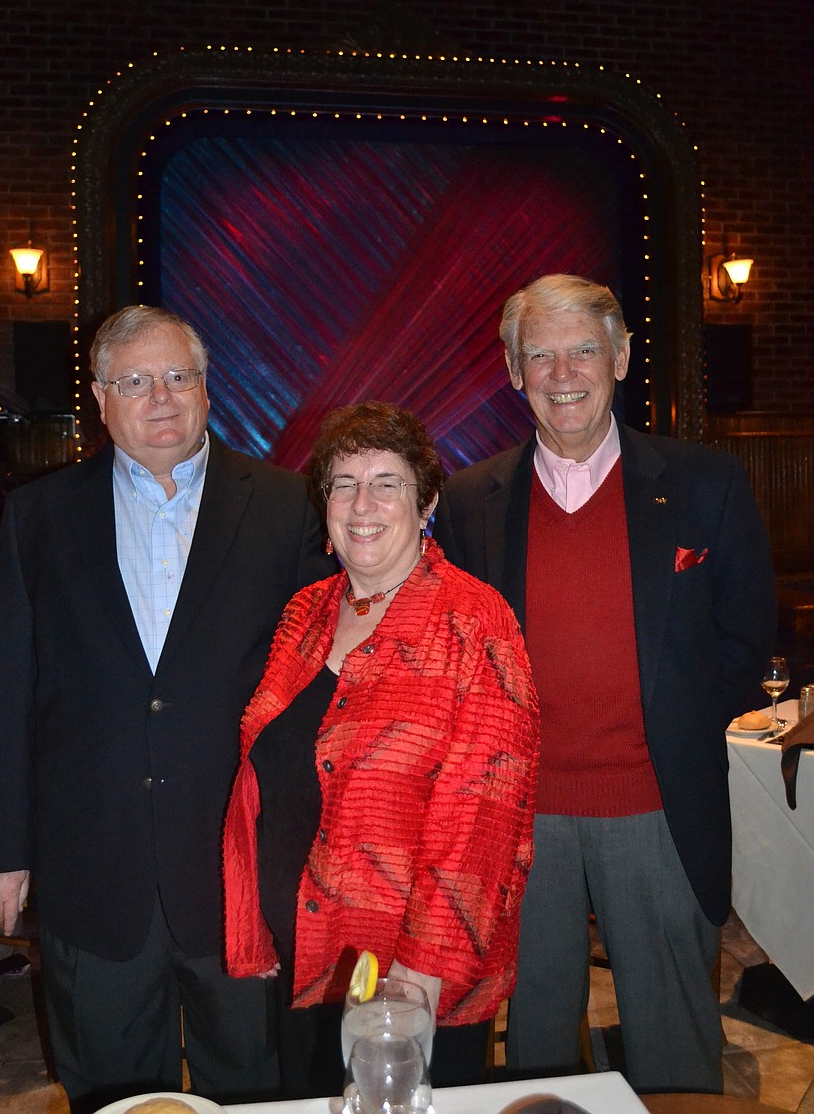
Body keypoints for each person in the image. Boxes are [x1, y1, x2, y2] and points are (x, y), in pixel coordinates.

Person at [0, 305, 333, 1113]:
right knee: (113, 1097)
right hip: (94, 872)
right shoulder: (39, 515)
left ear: (206, 389)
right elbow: (5, 689)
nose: (160, 396)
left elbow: (319, 687)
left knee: (257, 1091)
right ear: (101, 399)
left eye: (177, 376)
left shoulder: (287, 507)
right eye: (134, 381)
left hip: (241, 874)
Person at [433, 274, 777, 1094]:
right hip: (524, 818)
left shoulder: (706, 481)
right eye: (539, 355)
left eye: (583, 350)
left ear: (620, 358)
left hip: (656, 807)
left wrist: (673, 733)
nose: (562, 374)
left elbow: (744, 638)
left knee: (674, 1049)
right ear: (513, 371)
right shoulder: (471, 498)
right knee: (537, 1051)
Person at [223, 400, 539, 1096]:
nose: (362, 504)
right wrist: (257, 919)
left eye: (386, 483)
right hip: (307, 956)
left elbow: (482, 825)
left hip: (412, 978)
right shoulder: (305, 613)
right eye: (343, 484)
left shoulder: (475, 622)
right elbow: (265, 778)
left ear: (426, 503)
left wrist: (413, 985)